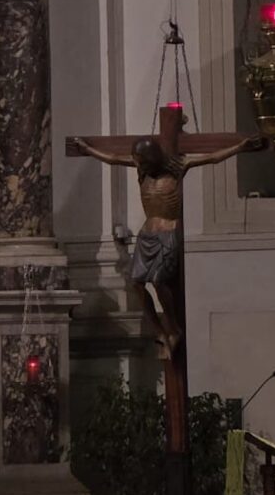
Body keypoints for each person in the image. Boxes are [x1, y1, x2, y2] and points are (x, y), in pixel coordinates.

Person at [72, 134, 264, 359]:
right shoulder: (141, 170)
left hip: (168, 233)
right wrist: (88, 149)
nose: (140, 164)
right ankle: (160, 331)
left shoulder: (178, 166)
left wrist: (240, 146)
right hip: (147, 235)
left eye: (143, 160)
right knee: (136, 283)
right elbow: (113, 158)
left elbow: (212, 157)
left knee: (158, 280)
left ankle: (173, 328)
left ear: (153, 157)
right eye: (138, 160)